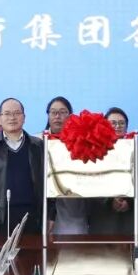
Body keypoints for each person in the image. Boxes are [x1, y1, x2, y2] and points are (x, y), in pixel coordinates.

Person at [0, 98, 50, 234]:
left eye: (17, 113)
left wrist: (50, 215)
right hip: (0, 216)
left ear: (24, 117)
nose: (12, 118)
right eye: (7, 114)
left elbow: (48, 183)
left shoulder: (37, 145)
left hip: (33, 215)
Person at [45, 96, 88, 235]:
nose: (57, 116)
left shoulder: (80, 143)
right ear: (48, 115)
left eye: (62, 112)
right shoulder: (38, 142)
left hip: (72, 207)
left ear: (70, 116)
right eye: (53, 112)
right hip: (45, 208)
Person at [89, 107, 134, 235]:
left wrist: (129, 202)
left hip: (129, 217)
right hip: (102, 217)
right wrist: (110, 201)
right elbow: (90, 182)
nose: (117, 126)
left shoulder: (135, 150)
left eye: (121, 123)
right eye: (113, 123)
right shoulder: (94, 151)